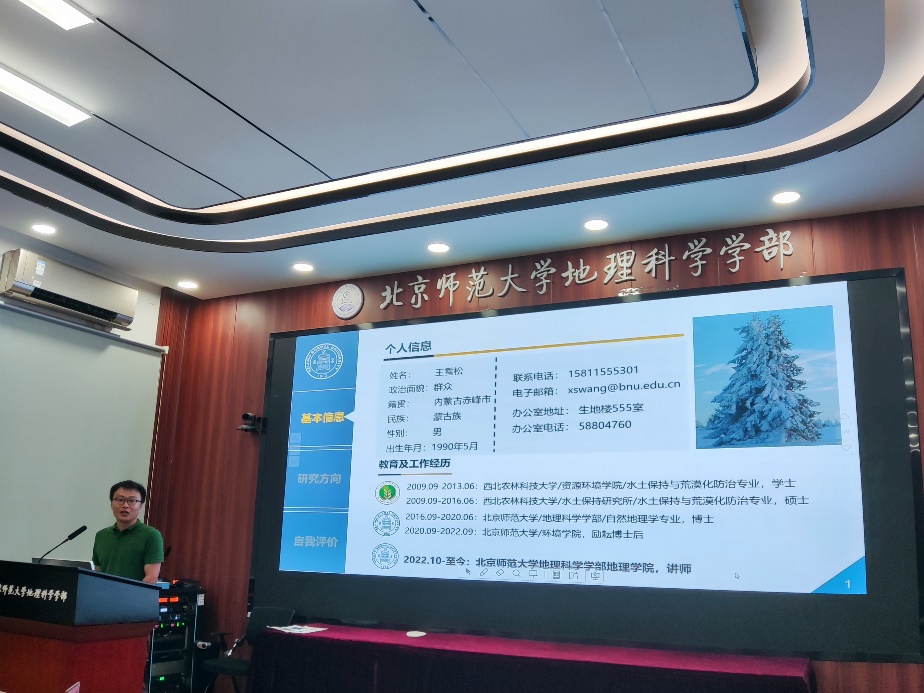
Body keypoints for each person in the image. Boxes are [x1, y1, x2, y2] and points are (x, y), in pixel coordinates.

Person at [92, 480, 164, 583]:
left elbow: (151, 578)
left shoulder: (152, 535)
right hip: (104, 593)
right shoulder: (101, 535)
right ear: (111, 504)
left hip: (134, 594)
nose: (125, 505)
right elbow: (97, 573)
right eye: (120, 500)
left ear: (140, 505)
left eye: (132, 501)